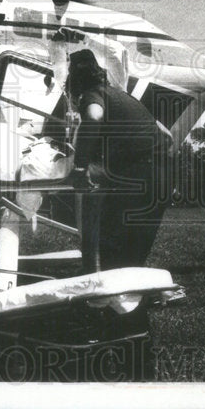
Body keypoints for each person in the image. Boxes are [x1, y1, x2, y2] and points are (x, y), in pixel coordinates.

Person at [67, 49, 171, 273]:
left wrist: (80, 165)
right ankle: (127, 304)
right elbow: (168, 137)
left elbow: (94, 118)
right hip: (161, 175)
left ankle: (106, 302)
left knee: (111, 245)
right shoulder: (121, 95)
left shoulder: (92, 94)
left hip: (138, 174)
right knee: (134, 250)